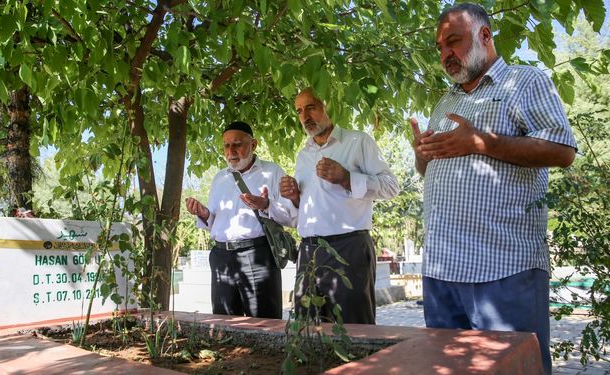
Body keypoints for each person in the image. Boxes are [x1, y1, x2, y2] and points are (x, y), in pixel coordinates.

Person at [410, 3, 577, 374]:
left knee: (515, 369)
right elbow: (430, 172)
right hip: (442, 268)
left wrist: (482, 142)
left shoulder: (525, 81)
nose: (445, 54)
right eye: (439, 47)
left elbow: (563, 150)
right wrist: (423, 155)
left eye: (453, 41)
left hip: (503, 268)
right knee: (446, 369)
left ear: (485, 36)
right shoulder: (445, 102)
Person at [280, 88, 399, 324]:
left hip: (349, 248)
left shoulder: (358, 142)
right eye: (299, 111)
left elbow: (391, 187)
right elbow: (307, 207)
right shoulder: (303, 155)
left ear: (328, 106)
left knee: (356, 330)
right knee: (307, 330)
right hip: (308, 251)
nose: (305, 116)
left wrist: (347, 177)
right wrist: (294, 197)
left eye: (311, 107)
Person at [184, 121, 296, 319]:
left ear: (254, 144)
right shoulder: (220, 178)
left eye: (237, 144)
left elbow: (291, 217)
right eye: (226, 145)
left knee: (264, 325)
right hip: (221, 258)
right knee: (224, 323)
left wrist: (265, 204)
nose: (231, 151)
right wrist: (203, 213)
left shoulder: (272, 172)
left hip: (257, 255)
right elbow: (215, 224)